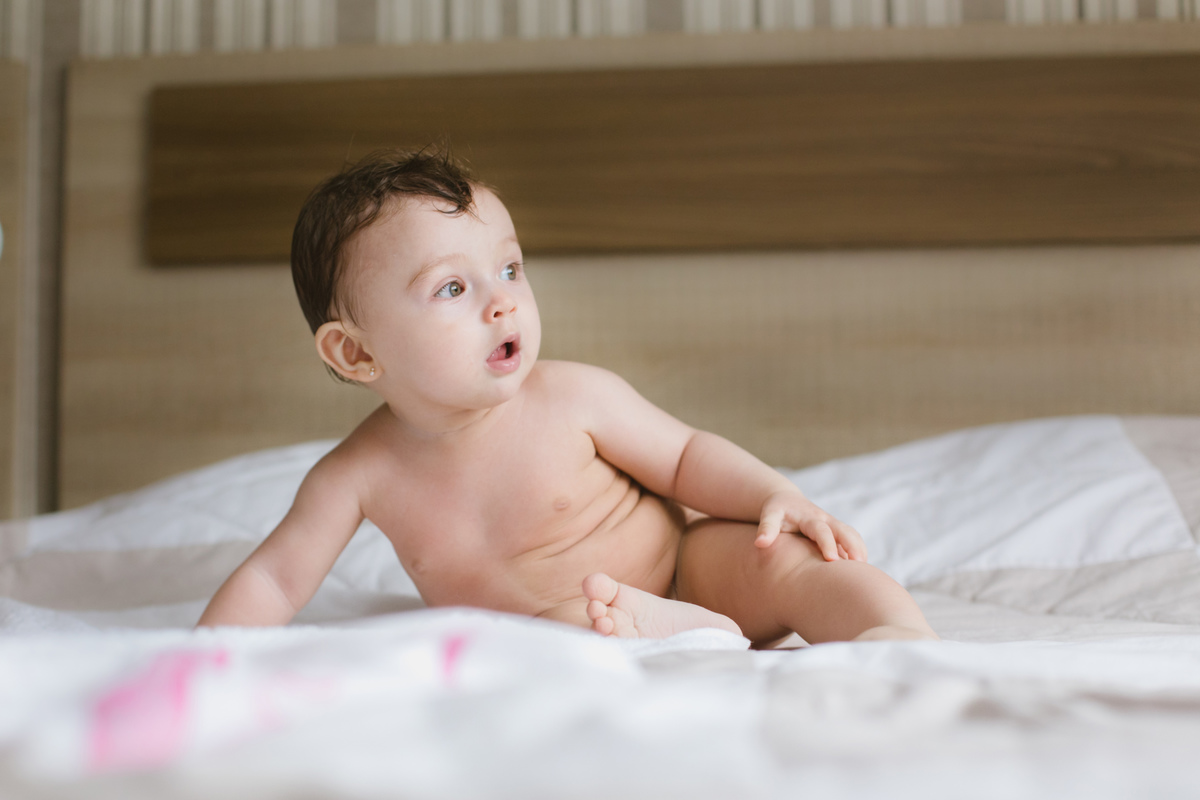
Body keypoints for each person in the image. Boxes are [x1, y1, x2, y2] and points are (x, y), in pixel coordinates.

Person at [198, 149, 938, 646]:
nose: (502, 303)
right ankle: (673, 636)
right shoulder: (356, 476)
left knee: (794, 563)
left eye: (510, 269)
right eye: (453, 287)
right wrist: (204, 660)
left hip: (689, 567)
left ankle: (900, 642)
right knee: (556, 634)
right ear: (356, 352)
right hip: (560, 636)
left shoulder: (572, 396)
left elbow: (685, 457)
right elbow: (273, 578)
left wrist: (778, 495)